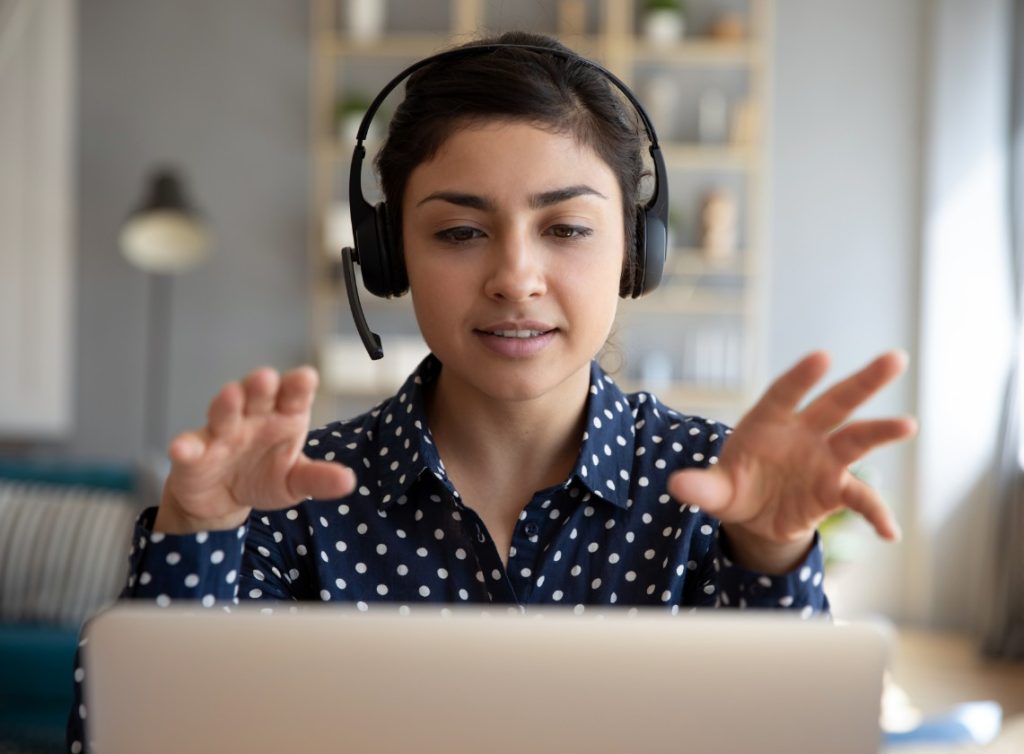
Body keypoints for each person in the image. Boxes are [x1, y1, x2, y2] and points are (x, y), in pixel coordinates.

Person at [66, 30, 915, 752]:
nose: (515, 277)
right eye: (460, 231)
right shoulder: (290, 496)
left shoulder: (715, 490)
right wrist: (196, 536)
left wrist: (767, 556)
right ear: (391, 258)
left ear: (635, 253)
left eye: (567, 228)